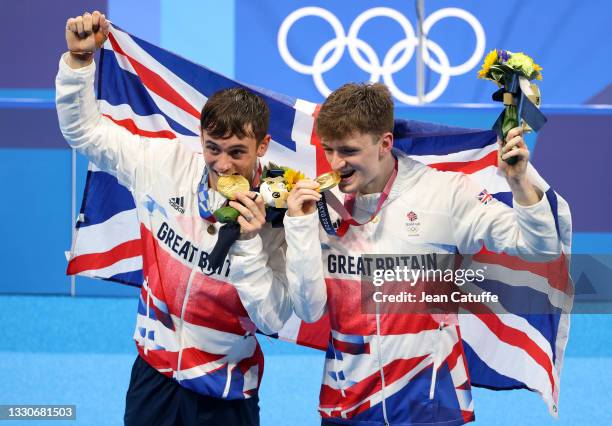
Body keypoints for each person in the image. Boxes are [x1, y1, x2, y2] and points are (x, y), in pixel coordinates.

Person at [57, 11, 292, 426]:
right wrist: (79, 65)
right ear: (200, 139)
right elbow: (86, 134)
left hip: (227, 390)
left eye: (237, 151)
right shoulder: (164, 163)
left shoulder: (282, 209)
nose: (222, 164)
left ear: (263, 146)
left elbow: (273, 318)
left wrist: (252, 244)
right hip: (154, 376)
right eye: (213, 148)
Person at [283, 82, 566, 425]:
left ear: (385, 143)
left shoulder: (443, 194)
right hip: (347, 405)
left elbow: (540, 248)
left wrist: (520, 182)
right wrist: (298, 226)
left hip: (431, 405)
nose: (335, 163)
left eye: (348, 151)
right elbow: (309, 311)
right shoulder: (320, 205)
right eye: (328, 149)